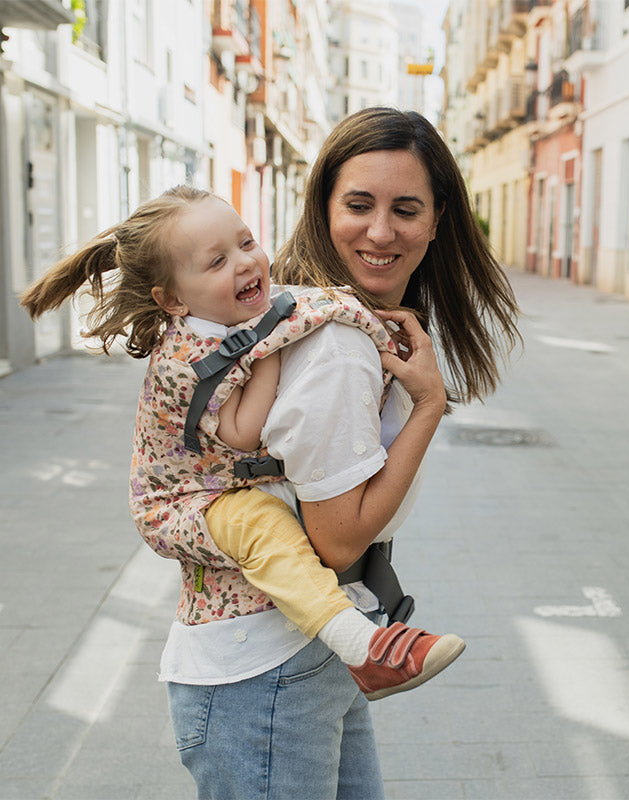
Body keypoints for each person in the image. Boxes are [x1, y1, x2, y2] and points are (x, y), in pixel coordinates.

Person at [19, 185, 465, 706]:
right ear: (173, 300)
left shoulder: (224, 316)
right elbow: (242, 432)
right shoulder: (187, 358)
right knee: (265, 528)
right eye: (217, 261)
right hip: (181, 504)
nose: (245, 262)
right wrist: (269, 348)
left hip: (217, 495)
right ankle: (361, 647)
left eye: (247, 242)